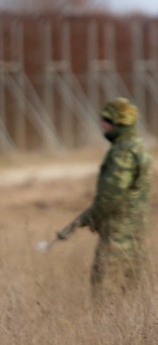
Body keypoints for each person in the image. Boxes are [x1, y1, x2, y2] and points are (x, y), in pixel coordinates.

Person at [66, 97, 152, 297]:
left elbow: (112, 195)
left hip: (120, 229)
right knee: (129, 286)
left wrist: (92, 217)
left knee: (107, 285)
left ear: (119, 122)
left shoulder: (123, 151)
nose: (102, 124)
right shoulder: (137, 146)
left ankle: (106, 324)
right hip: (135, 226)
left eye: (107, 120)